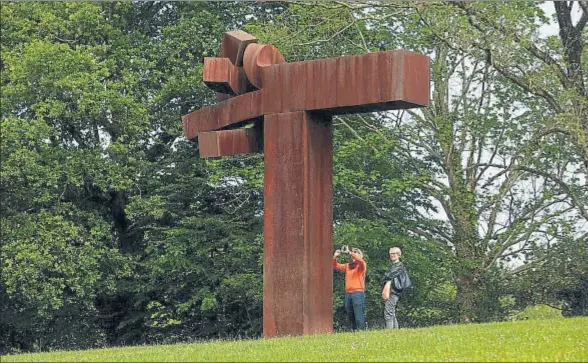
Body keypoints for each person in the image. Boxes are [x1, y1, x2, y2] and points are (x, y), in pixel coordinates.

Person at [333, 246, 367, 331]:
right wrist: (335, 256)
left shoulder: (361, 265)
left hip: (358, 293)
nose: (353, 254)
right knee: (350, 313)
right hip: (348, 293)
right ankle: (353, 331)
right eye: (353, 253)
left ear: (359, 255)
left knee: (358, 313)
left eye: (356, 253)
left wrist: (350, 252)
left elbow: (359, 260)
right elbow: (336, 266)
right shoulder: (348, 266)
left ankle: (361, 331)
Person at [381, 246, 405, 329]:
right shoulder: (393, 265)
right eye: (391, 254)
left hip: (394, 291)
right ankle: (395, 332)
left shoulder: (399, 265)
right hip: (391, 291)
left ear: (399, 255)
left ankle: (389, 332)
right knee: (391, 312)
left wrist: (385, 278)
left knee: (388, 312)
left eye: (394, 253)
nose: (392, 255)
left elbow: (389, 275)